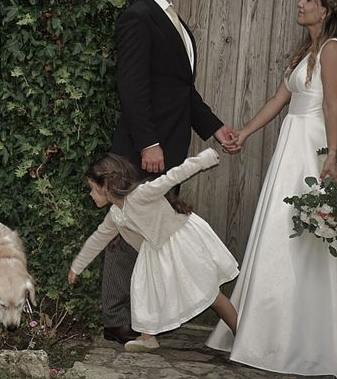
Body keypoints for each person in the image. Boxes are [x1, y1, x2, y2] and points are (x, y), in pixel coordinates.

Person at [206, 0, 337, 378]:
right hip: (292, 146)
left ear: (326, 10)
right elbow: (281, 100)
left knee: (320, 238)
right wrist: (244, 133)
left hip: (315, 147)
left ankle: (327, 334)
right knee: (285, 236)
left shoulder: (334, 51)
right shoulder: (309, 52)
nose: (300, 4)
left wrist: (331, 158)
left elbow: (332, 106)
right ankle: (277, 331)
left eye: (309, 0)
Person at [104, 0, 238, 344]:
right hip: (143, 150)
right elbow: (132, 87)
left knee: (154, 234)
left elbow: (182, 92)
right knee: (129, 230)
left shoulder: (174, 22)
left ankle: (148, 316)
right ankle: (116, 318)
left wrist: (215, 128)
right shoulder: (137, 18)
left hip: (169, 150)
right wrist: (147, 143)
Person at [68, 149, 239, 352]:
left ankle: (241, 333)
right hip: (157, 250)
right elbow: (98, 239)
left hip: (179, 242)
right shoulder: (115, 214)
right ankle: (148, 337)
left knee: (211, 296)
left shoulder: (141, 194)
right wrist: (77, 267)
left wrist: (205, 159)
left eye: (93, 189)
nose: (91, 194)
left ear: (106, 185)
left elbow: (173, 176)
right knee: (147, 291)